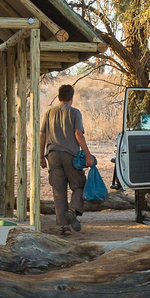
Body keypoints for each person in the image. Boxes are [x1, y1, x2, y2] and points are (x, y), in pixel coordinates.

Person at [39, 84, 93, 235]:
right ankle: (73, 210)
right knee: (79, 185)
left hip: (52, 155)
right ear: (72, 98)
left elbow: (42, 135)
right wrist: (88, 155)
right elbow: (78, 134)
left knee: (59, 191)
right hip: (70, 154)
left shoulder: (49, 112)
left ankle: (64, 227)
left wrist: (41, 156)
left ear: (59, 97)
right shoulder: (75, 113)